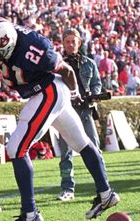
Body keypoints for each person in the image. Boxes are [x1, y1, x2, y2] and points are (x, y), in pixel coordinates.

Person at [0, 17, 120, 221]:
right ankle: (106, 194)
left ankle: (30, 214)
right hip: (44, 92)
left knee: (16, 148)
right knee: (80, 142)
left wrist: (73, 95)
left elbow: (67, 71)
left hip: (49, 91)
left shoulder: (36, 48)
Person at [56, 28, 105, 202]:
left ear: (79, 43)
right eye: (67, 41)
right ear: (63, 43)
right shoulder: (57, 63)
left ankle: (102, 187)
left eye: (73, 41)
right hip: (65, 111)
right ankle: (67, 189)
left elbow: (96, 84)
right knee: (65, 152)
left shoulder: (89, 63)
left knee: (95, 149)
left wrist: (93, 97)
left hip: (85, 111)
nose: (70, 44)